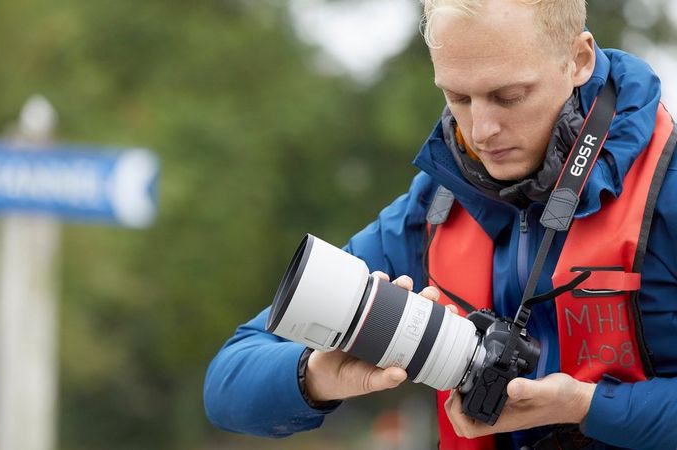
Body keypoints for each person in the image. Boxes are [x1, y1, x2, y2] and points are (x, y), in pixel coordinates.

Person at [203, 0, 677, 448]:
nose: (482, 130)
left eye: (508, 96)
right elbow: (228, 379)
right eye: (458, 97)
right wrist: (321, 374)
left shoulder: (667, 185)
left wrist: (587, 406)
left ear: (578, 59)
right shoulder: (433, 208)